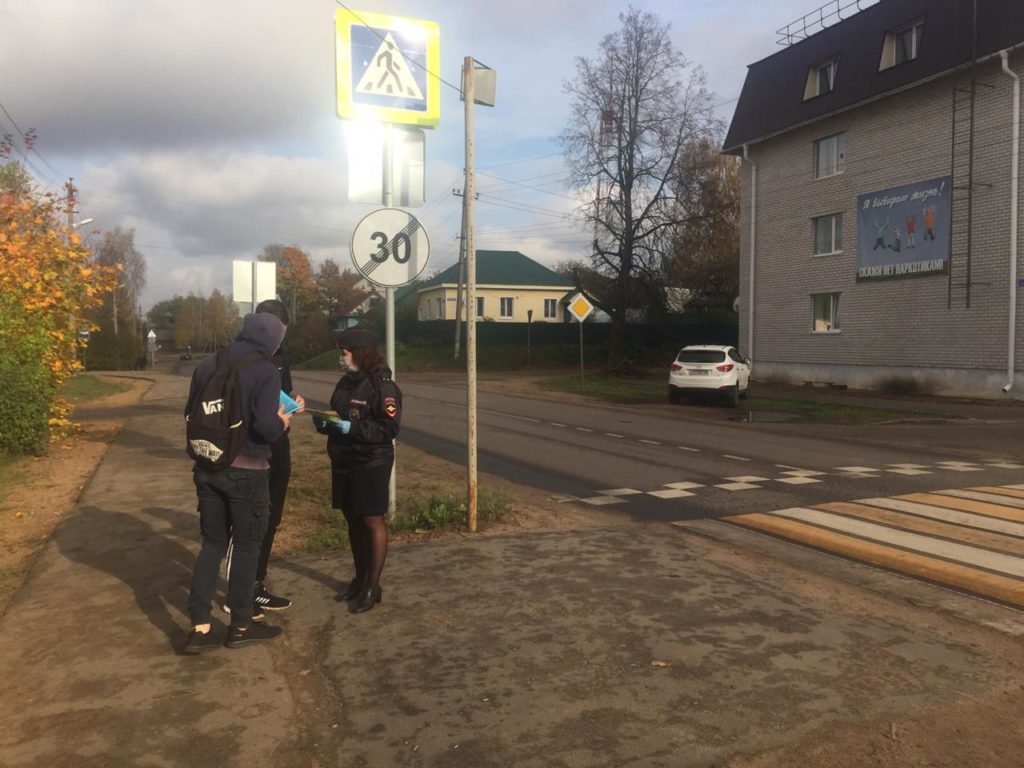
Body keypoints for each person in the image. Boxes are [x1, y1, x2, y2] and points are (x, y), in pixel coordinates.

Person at [184, 312, 291, 654]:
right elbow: (265, 428)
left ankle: (199, 628)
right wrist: (283, 422)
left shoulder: (207, 364)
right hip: (247, 470)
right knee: (247, 547)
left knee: (212, 544)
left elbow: (190, 411)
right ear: (272, 339)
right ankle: (241, 625)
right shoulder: (264, 370)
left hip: (207, 465)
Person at [222, 299, 304, 619]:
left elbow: (283, 394)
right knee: (246, 523)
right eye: (277, 332)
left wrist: (293, 403)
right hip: (249, 449)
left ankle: (256, 584)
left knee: (271, 516)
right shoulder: (241, 357)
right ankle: (239, 592)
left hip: (277, 444)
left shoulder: (281, 357)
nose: (279, 339)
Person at [313, 327, 401, 614]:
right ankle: (360, 578)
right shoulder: (347, 381)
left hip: (370, 461)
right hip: (344, 459)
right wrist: (327, 422)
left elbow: (388, 428)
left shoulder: (382, 386)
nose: (343, 357)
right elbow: (338, 411)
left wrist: (350, 428)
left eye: (346, 352)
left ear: (362, 353)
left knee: (371, 520)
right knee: (352, 519)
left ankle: (373, 587)